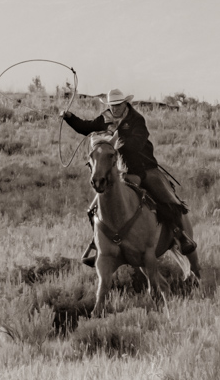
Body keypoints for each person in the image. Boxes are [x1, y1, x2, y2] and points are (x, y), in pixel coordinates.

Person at [63, 89, 198, 270]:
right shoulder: (106, 117)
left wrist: (115, 142)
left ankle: (180, 235)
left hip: (145, 168)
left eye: (118, 105)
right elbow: (86, 127)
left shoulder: (136, 120)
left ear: (125, 104)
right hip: (120, 172)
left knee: (169, 199)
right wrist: (69, 117)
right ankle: (97, 244)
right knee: (92, 210)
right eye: (112, 105)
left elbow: (137, 142)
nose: (115, 109)